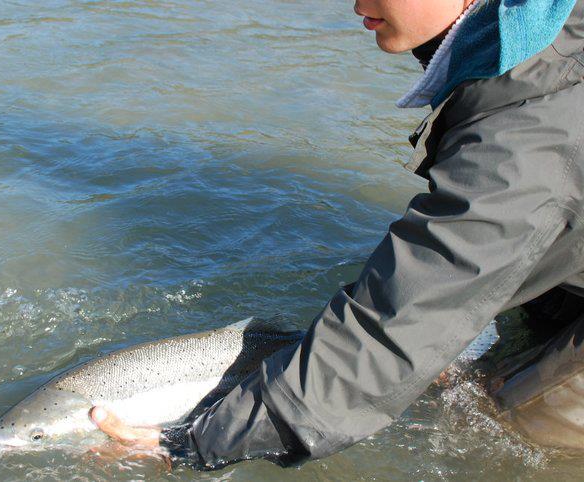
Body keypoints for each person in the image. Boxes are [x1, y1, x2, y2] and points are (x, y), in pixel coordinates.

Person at [91, 0, 584, 470]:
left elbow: (395, 322)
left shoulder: (523, 136)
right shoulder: (537, 53)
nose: (355, 5)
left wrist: (193, 445)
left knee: (502, 422)